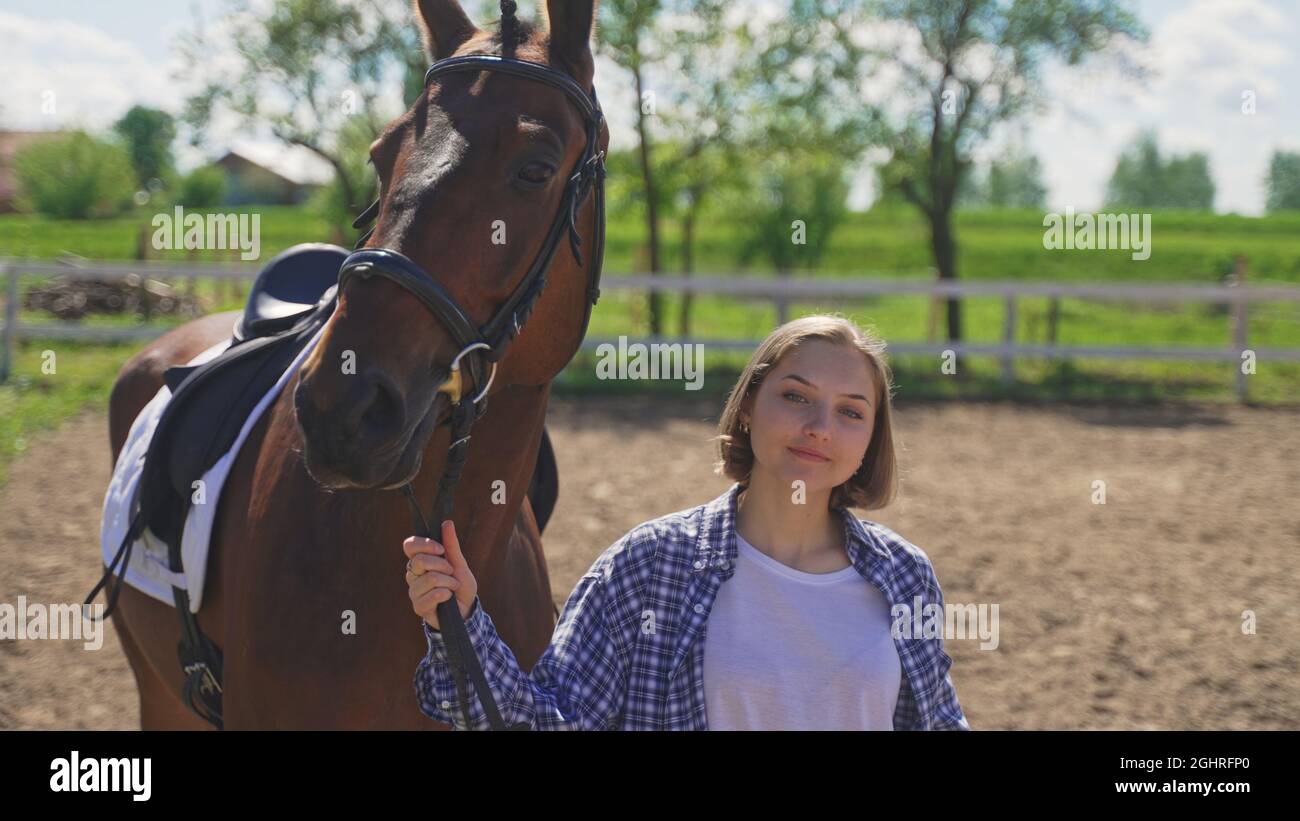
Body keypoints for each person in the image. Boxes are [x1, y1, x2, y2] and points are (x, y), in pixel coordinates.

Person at [406, 314, 970, 730]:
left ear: (871, 439)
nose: (821, 427)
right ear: (748, 407)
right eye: (797, 397)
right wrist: (458, 624)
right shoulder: (649, 566)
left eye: (851, 411)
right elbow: (547, 722)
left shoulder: (905, 577)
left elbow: (939, 722)